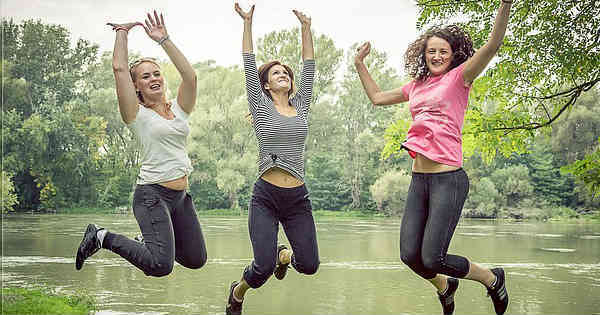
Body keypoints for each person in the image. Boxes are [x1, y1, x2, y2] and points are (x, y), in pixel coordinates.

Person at [354, 1, 513, 314]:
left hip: (448, 179)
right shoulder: (416, 86)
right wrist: (360, 63)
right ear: (423, 55)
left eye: (443, 51)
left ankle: (491, 277)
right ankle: (445, 285)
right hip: (420, 179)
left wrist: (505, 5)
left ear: (453, 55)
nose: (437, 56)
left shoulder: (460, 78)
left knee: (433, 258)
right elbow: (376, 98)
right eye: (431, 52)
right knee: (409, 256)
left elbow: (494, 45)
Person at [75, 11, 207, 278]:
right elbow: (119, 69)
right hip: (152, 195)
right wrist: (122, 32)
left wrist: (164, 40)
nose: (153, 78)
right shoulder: (136, 115)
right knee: (160, 266)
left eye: (156, 74)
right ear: (136, 87)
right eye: (145, 77)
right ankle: (101, 236)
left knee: (196, 259)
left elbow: (190, 77)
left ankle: (150, 242)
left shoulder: (180, 110)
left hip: (181, 198)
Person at [226, 3, 318, 315]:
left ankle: (284, 256)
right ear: (266, 84)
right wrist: (248, 23)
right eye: (276, 73)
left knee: (309, 265)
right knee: (261, 269)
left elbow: (309, 66)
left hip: (297, 198)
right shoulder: (261, 105)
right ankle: (238, 291)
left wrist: (306, 28)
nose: (283, 75)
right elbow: (249, 63)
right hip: (266, 195)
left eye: (286, 73)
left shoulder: (301, 105)